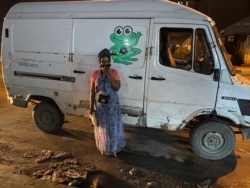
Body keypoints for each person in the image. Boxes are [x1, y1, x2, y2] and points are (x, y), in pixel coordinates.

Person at [89, 48, 125, 157]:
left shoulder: (114, 72)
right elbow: (92, 91)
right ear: (99, 62)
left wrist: (109, 75)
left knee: (113, 126)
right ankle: (104, 148)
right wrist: (91, 107)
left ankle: (114, 149)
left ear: (110, 61)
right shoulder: (95, 74)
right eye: (102, 61)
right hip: (101, 106)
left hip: (113, 105)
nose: (104, 63)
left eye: (106, 61)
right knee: (103, 127)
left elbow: (117, 88)